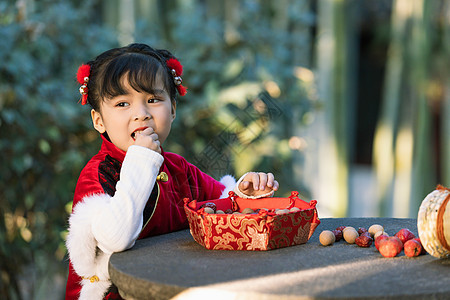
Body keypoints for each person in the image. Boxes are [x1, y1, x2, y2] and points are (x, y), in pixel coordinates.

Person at [65, 43, 279, 300]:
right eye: (123, 104)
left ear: (173, 110)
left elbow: (222, 204)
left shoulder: (178, 168)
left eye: (153, 100)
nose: (141, 114)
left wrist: (245, 192)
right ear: (98, 120)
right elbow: (115, 238)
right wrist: (141, 160)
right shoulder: (100, 173)